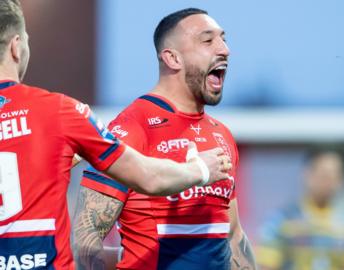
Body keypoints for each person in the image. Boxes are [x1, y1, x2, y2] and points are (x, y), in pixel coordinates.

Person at [0, 1, 231, 269]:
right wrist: (201, 169)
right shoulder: (60, 111)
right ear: (17, 46)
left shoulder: (219, 132)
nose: (224, 49)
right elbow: (147, 176)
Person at [73, 8, 257, 270]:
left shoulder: (222, 135)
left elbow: (234, 235)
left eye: (223, 39)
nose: (224, 49)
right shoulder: (132, 127)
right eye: (208, 40)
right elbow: (85, 241)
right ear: (172, 58)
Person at [256, 148, 344, 270]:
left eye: (335, 176)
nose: (329, 182)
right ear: (307, 174)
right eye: (324, 175)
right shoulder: (281, 220)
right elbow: (267, 265)